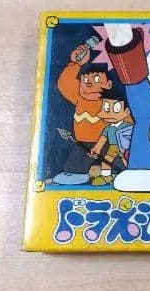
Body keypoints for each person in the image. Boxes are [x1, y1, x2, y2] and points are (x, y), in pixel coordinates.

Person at [54, 43, 113, 185]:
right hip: (83, 145)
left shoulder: (110, 104)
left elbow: (125, 121)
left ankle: (111, 175)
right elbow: (64, 84)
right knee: (74, 169)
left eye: (97, 80)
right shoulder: (79, 98)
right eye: (86, 81)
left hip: (107, 144)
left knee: (113, 160)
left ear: (108, 85)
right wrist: (76, 64)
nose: (90, 85)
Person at [89, 87, 132, 186]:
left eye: (116, 109)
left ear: (126, 111)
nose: (110, 113)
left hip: (125, 148)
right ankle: (106, 176)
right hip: (112, 147)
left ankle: (131, 174)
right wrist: (97, 148)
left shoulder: (127, 127)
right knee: (106, 160)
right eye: (107, 108)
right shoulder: (108, 128)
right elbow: (103, 139)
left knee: (127, 161)